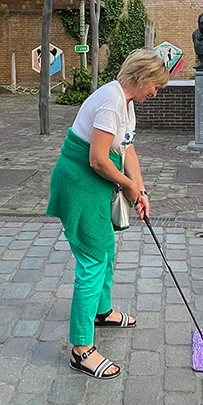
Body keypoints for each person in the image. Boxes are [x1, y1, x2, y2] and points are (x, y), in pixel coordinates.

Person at [47, 49, 169, 379]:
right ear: (141, 78)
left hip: (95, 183)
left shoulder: (126, 105)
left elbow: (127, 149)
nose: (155, 93)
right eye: (155, 86)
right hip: (79, 182)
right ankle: (81, 349)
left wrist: (140, 190)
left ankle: (102, 311)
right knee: (93, 258)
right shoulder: (111, 101)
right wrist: (129, 187)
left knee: (107, 249)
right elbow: (98, 159)